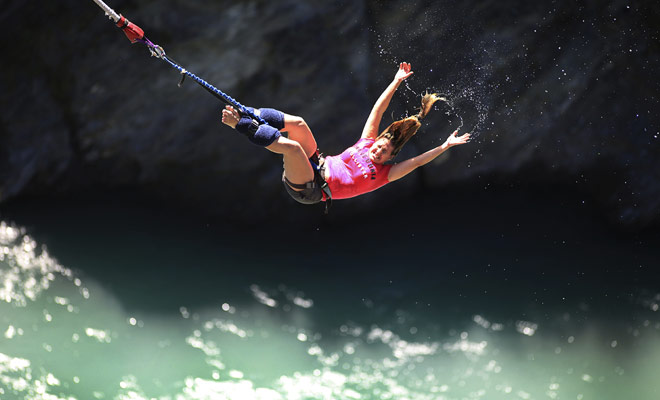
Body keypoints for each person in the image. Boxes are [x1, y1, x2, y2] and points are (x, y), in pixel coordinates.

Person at [221, 62, 471, 209]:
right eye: (379, 146)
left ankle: (240, 125)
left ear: (390, 158)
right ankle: (250, 112)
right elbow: (378, 109)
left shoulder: (386, 175)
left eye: (383, 152)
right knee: (299, 124)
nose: (377, 151)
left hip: (310, 189)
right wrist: (396, 81)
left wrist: (445, 145)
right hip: (316, 162)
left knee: (293, 148)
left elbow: (417, 162)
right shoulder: (366, 143)